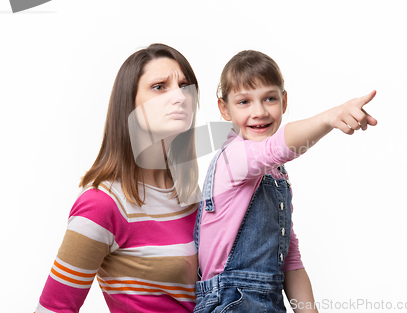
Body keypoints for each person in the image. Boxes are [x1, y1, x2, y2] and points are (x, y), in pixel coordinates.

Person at [193, 50, 377, 312]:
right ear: (225, 108)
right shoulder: (233, 158)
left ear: (284, 101)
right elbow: (276, 147)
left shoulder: (275, 174)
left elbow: (289, 257)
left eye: (269, 98)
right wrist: (329, 118)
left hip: (269, 302)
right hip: (230, 302)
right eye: (244, 102)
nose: (259, 112)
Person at [36, 43, 202, 312]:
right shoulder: (102, 204)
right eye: (159, 86)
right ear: (129, 104)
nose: (180, 96)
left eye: (185, 86)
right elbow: (53, 309)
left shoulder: (192, 194)